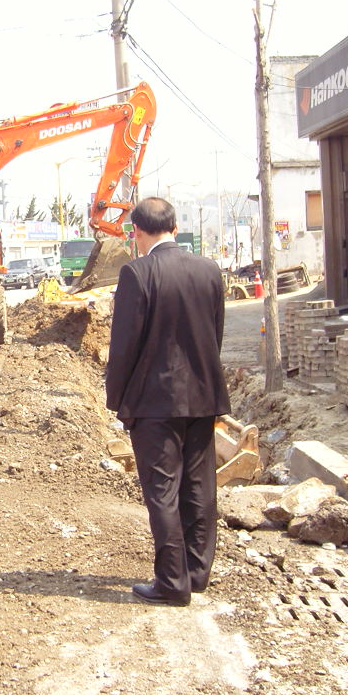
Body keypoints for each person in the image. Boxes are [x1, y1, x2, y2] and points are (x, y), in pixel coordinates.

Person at [105, 197, 230, 607]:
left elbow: (124, 345)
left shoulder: (137, 273)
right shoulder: (209, 270)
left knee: (162, 490)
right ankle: (197, 571)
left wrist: (118, 398)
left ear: (137, 232)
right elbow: (215, 334)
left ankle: (171, 583)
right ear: (175, 228)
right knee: (200, 485)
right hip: (203, 395)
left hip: (155, 400)